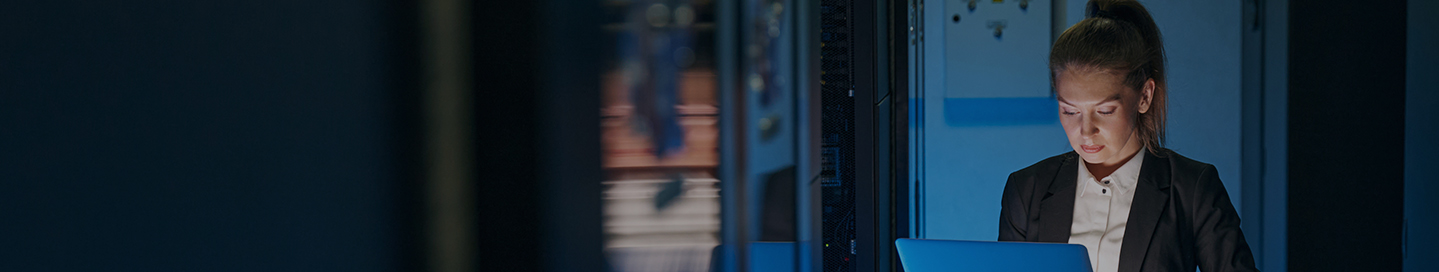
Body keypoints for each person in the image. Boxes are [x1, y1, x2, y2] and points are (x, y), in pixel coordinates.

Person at [996, 0, 1260, 271]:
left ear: (1144, 96)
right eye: (1069, 111)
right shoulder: (1027, 190)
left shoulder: (1192, 190)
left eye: (1105, 110)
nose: (1086, 130)